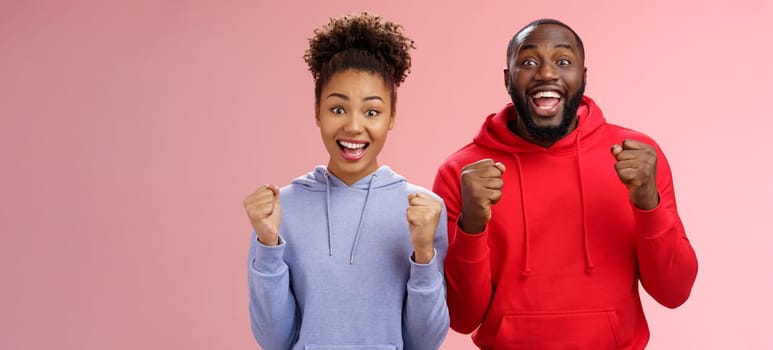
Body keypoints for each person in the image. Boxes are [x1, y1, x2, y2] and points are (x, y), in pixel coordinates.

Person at [432, 19, 698, 349]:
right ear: (507, 79)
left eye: (563, 61)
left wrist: (648, 203)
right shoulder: (463, 171)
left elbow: (674, 291)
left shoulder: (638, 157)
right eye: (528, 62)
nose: (546, 74)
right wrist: (471, 226)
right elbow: (462, 317)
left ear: (583, 76)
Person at [244, 13, 448, 350]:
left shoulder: (423, 210)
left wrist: (424, 254)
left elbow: (424, 343)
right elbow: (274, 340)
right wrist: (267, 244)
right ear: (317, 111)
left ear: (391, 117)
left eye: (371, 112)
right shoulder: (281, 209)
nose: (354, 127)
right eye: (338, 109)